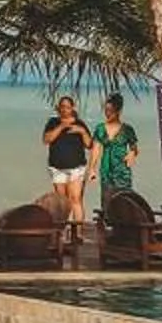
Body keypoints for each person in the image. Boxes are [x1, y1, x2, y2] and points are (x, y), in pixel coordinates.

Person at [44, 94, 95, 227]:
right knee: (61, 201)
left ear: (72, 108)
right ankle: (62, 229)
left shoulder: (79, 123)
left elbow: (89, 144)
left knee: (75, 199)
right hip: (57, 167)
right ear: (58, 108)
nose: (65, 110)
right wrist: (61, 126)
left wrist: (82, 131)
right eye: (62, 107)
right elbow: (47, 139)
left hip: (76, 167)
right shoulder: (53, 122)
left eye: (67, 107)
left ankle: (77, 230)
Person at [92, 94, 139, 208]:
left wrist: (132, 154)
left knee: (124, 201)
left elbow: (134, 148)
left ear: (118, 111)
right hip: (106, 170)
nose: (107, 113)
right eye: (106, 110)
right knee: (107, 202)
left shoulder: (127, 129)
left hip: (122, 170)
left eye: (111, 111)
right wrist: (92, 169)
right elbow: (96, 149)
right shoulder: (100, 128)